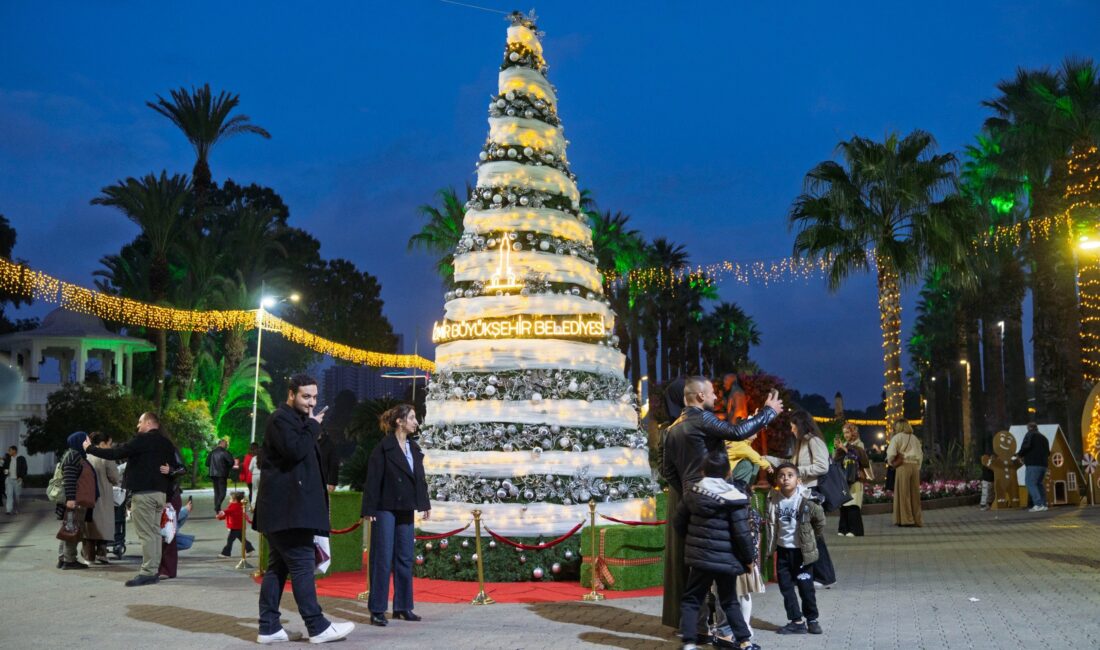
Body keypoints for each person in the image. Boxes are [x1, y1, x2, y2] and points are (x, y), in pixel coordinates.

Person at [660, 376, 782, 632]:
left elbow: (666, 470)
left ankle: (696, 631)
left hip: (692, 502)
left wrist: (689, 491)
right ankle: (730, 632)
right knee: (724, 568)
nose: (717, 397)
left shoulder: (670, 430)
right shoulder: (702, 418)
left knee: (697, 570)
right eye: (712, 393)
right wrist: (768, 413)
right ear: (700, 396)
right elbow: (736, 433)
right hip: (716, 498)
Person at [254, 373, 353, 645]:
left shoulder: (296, 421)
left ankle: (269, 627)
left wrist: (309, 426)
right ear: (291, 394)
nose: (311, 403)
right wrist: (313, 426)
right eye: (305, 396)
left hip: (286, 512)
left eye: (315, 397)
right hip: (288, 513)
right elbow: (295, 451)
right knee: (301, 566)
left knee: (277, 569)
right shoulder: (281, 419)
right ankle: (317, 626)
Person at [675, 449, 759, 650]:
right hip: (727, 560)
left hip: (701, 558)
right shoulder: (735, 498)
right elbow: (742, 534)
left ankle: (689, 643)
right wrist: (749, 559)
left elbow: (678, 522)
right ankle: (745, 642)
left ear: (702, 471)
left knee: (692, 600)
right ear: (728, 473)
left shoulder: (692, 494)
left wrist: (694, 541)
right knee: (729, 601)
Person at [83, 411, 177, 587]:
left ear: (149, 423)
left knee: (147, 534)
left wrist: (90, 449)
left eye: (140, 422)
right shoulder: (167, 443)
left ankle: (148, 572)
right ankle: (153, 569)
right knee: (155, 533)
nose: (137, 425)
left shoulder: (141, 440)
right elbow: (173, 469)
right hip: (160, 494)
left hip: (144, 494)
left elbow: (116, 453)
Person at [362, 403, 431, 627]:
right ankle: (377, 609)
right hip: (385, 507)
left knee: (405, 557)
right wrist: (369, 509)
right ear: (400, 422)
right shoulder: (383, 448)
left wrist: (424, 503)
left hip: (406, 508)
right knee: (382, 558)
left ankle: (403, 606)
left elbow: (419, 479)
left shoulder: (414, 449)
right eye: (412, 418)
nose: (416, 422)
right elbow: (373, 480)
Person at [768, 410, 834, 586]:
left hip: (812, 492)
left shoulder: (813, 441)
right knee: (807, 535)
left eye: (793, 426)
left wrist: (797, 472)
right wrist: (769, 459)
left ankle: (825, 577)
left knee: (811, 535)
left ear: (801, 425)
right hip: (804, 492)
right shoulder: (802, 443)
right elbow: (791, 465)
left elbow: (822, 467)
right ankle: (816, 576)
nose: (792, 430)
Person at [766, 462, 826, 635]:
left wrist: (810, 538)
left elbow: (820, 522)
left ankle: (812, 619)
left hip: (801, 553)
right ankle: (796, 621)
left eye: (790, 475)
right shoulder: (773, 499)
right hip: (783, 551)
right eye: (781, 475)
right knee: (786, 588)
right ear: (777, 480)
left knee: (806, 588)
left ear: (798, 480)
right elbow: (771, 526)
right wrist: (771, 549)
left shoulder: (807, 499)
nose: (785, 479)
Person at [57, 432, 95, 570]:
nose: (88, 442)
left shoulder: (75, 455)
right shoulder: (74, 456)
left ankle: (63, 558)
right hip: (76, 501)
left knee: (68, 527)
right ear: (79, 441)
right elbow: (70, 479)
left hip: (77, 499)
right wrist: (71, 498)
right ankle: (69, 560)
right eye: (86, 440)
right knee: (72, 529)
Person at [83, 432, 121, 564]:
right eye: (109, 444)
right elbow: (115, 477)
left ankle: (88, 556)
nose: (110, 447)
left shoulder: (85, 455)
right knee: (103, 524)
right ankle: (102, 553)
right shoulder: (107, 457)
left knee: (89, 525)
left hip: (87, 495)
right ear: (102, 443)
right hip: (103, 495)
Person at [834, 422, 871, 537]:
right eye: (844, 433)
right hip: (845, 477)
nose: (845, 435)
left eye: (848, 432)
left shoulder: (859, 444)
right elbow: (837, 460)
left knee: (853, 503)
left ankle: (856, 530)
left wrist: (844, 449)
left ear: (853, 432)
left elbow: (858, 458)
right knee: (844, 503)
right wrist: (837, 449)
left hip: (855, 477)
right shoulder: (845, 444)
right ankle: (843, 528)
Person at [886, 420, 924, 527]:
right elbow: (920, 454)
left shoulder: (897, 437)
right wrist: (918, 467)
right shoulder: (915, 438)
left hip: (903, 466)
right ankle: (917, 519)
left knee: (903, 493)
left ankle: (906, 520)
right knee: (915, 494)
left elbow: (891, 454)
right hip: (914, 466)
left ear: (899, 427)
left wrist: (891, 462)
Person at [1015, 422, 1050, 512]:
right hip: (1043, 465)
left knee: (1030, 483)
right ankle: (1043, 504)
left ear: (1029, 428)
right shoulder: (1044, 438)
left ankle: (1038, 504)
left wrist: (1019, 454)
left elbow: (1026, 446)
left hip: (1033, 464)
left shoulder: (1030, 435)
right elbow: (1048, 452)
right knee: (1038, 483)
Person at [218, 491, 255, 557]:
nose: (229, 500)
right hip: (239, 526)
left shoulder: (234, 506)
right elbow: (229, 514)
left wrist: (223, 512)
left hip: (235, 527)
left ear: (234, 500)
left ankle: (226, 553)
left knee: (230, 541)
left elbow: (229, 511)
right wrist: (222, 515)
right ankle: (250, 549)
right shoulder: (240, 506)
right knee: (242, 539)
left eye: (230, 499)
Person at [207, 438, 234, 513]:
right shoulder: (225, 452)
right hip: (222, 474)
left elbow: (207, 463)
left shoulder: (212, 452)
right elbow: (231, 462)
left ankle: (217, 511)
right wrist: (226, 467)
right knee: (222, 493)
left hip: (213, 474)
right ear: (222, 444)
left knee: (217, 492)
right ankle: (217, 507)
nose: (227, 446)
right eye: (226, 444)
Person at [4, 445, 28, 515]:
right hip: (9, 479)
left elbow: (24, 468)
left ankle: (16, 509)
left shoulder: (21, 458)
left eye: (10, 450)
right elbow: (5, 467)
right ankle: (8, 510)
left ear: (14, 451)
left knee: (16, 496)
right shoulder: (8, 458)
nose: (9, 452)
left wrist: (21, 477)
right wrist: (6, 473)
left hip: (17, 480)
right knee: (9, 495)